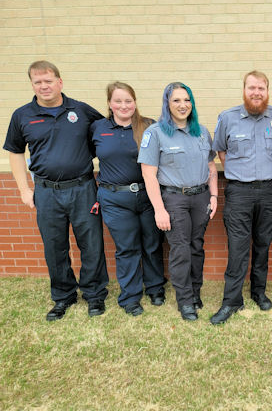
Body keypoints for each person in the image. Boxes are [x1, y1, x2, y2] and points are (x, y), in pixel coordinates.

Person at [3, 60, 109, 321]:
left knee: (91, 244)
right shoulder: (22, 115)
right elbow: (15, 152)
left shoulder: (81, 111)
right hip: (46, 192)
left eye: (48, 81)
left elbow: (107, 132)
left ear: (59, 82)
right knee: (54, 246)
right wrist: (24, 190)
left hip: (83, 188)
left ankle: (94, 295)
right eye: (37, 82)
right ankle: (63, 296)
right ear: (32, 85)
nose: (43, 86)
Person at [138, 82, 217, 322]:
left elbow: (211, 166)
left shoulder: (201, 131)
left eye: (187, 100)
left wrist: (214, 196)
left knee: (196, 247)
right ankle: (185, 302)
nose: (183, 105)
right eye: (176, 101)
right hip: (174, 199)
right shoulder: (155, 133)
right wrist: (159, 210)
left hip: (201, 196)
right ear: (167, 104)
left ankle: (195, 293)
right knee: (181, 250)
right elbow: (148, 174)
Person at [210, 70, 272, 325]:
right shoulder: (228, 118)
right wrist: (235, 173)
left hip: (269, 191)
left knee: (262, 245)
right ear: (244, 90)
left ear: (267, 91)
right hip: (239, 191)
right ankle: (231, 301)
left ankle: (258, 293)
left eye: (261, 88)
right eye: (252, 88)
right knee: (238, 249)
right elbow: (220, 149)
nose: (256, 93)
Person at [91, 82, 167, 317]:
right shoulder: (97, 127)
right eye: (118, 101)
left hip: (146, 194)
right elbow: (82, 157)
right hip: (114, 198)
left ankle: (155, 287)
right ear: (109, 104)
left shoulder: (149, 126)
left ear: (135, 102)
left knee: (152, 244)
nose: (124, 106)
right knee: (127, 248)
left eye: (128, 101)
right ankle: (131, 296)